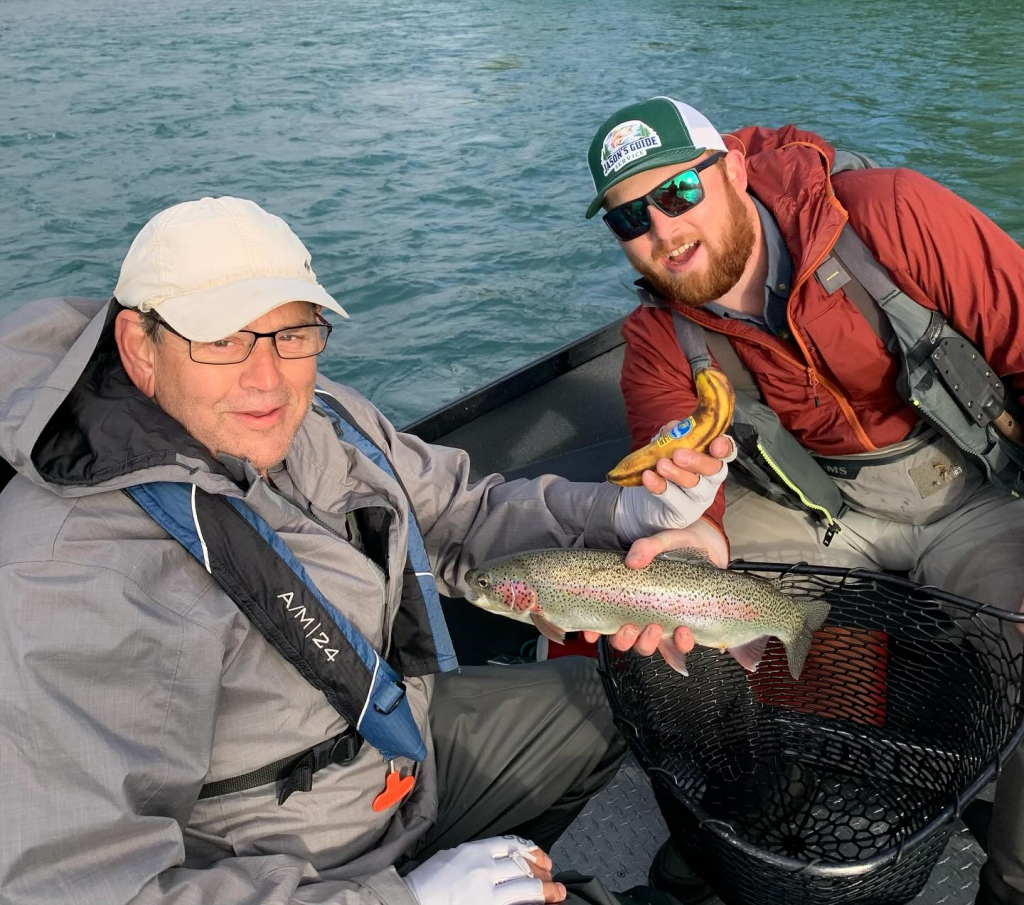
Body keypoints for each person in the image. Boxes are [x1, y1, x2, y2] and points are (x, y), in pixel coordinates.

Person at [0, 195, 737, 905]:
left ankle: (503, 862)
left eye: (292, 332)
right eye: (220, 338)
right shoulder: (70, 577)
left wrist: (630, 512)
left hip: (399, 764)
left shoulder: (322, 415)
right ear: (140, 348)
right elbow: (80, 886)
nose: (267, 377)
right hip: (292, 859)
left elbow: (464, 512)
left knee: (615, 697)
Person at [585, 96, 1024, 904]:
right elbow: (688, 506)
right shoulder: (655, 345)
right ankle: (765, 809)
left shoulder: (894, 214)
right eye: (629, 219)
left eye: (679, 193)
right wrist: (688, 548)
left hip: (967, 490)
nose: (662, 232)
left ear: (736, 171)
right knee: (680, 633)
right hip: (812, 505)